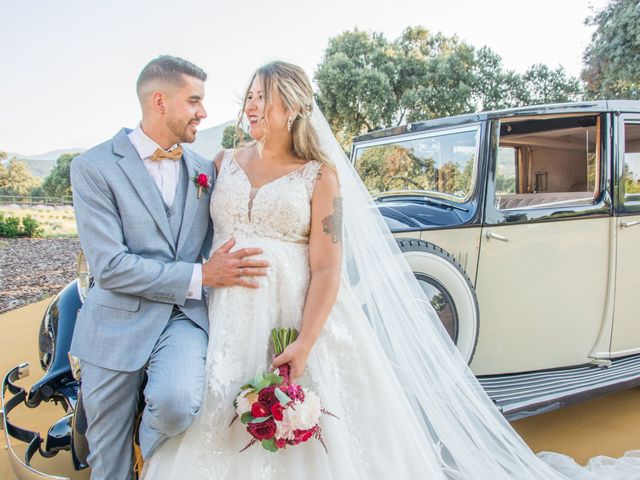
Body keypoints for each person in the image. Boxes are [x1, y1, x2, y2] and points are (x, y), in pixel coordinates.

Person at [143, 61, 640, 480]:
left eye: (262, 98)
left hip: (288, 314)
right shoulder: (221, 159)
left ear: (292, 108)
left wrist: (306, 341)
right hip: (223, 311)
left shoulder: (321, 176)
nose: (250, 105)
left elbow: (328, 265)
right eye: (248, 96)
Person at [70, 55, 268, 480]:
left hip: (182, 319)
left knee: (178, 406)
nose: (204, 112)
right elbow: (110, 267)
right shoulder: (93, 167)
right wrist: (201, 276)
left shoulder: (204, 169)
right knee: (108, 460)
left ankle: (153, 460)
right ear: (160, 101)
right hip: (115, 324)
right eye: (194, 100)